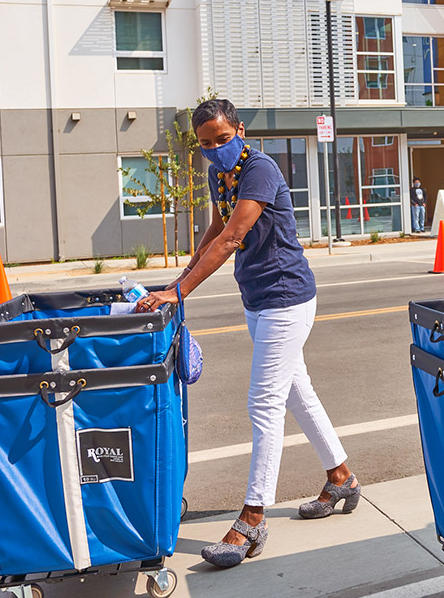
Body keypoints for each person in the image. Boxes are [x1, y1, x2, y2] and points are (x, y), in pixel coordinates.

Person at [135, 99, 360, 569]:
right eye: (206, 144)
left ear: (239, 129)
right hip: (258, 300)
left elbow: (234, 237)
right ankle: (341, 477)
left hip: (286, 298)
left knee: (264, 403)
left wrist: (180, 292)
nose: (216, 149)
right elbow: (215, 230)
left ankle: (253, 519)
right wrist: (178, 281)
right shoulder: (222, 176)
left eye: (222, 138)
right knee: (299, 394)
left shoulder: (259, 169)